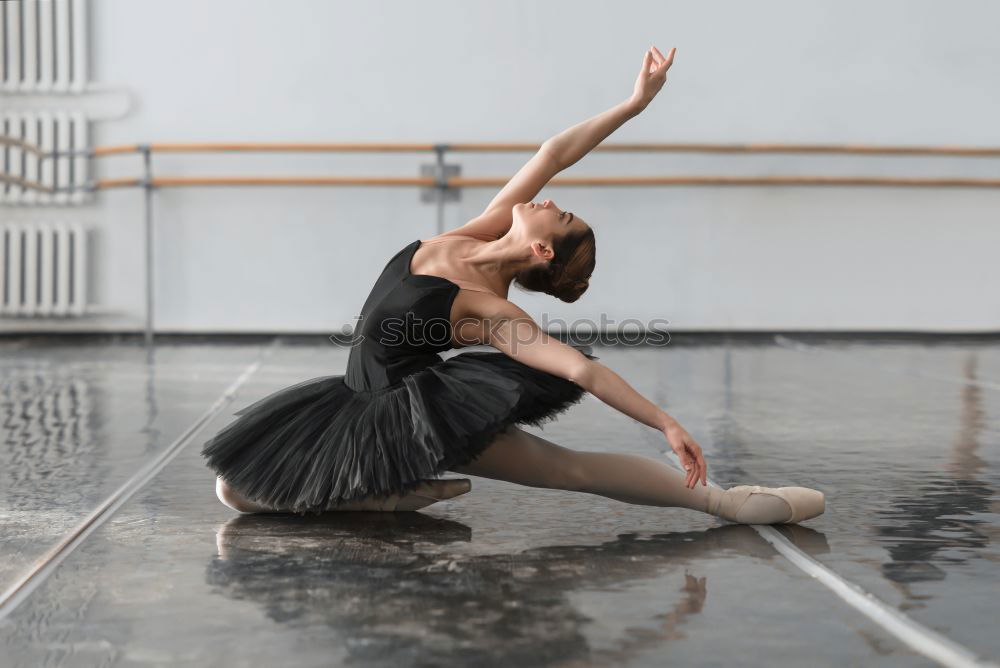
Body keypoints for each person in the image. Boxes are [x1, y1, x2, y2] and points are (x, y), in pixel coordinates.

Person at [204, 46, 825, 525]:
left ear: (541, 248)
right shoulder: (475, 234)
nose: (551, 201)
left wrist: (667, 423)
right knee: (234, 488)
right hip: (350, 400)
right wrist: (633, 105)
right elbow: (553, 153)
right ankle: (390, 495)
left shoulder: (485, 309)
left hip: (417, 417)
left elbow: (584, 373)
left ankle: (726, 503)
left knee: (566, 470)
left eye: (561, 214)